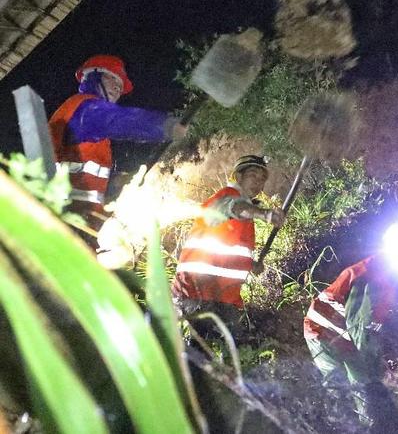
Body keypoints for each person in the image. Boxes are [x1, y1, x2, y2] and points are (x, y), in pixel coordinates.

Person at [48, 54, 187, 234]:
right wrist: (166, 126)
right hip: (63, 221)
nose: (117, 87)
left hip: (75, 222)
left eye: (120, 86)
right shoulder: (83, 107)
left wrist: (116, 180)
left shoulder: (91, 127)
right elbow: (119, 120)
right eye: (111, 78)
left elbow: (83, 170)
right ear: (93, 76)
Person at [303, 254, 398, 433]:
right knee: (361, 387)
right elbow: (360, 325)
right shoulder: (373, 277)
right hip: (325, 333)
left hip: (326, 333)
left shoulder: (378, 273)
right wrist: (374, 362)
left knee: (351, 389)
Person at [172, 155, 285, 317]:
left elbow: (226, 251)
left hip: (223, 301)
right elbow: (232, 207)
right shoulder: (226, 196)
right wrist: (265, 214)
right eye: (253, 175)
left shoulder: (246, 212)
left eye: (262, 179)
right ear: (238, 176)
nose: (258, 182)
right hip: (196, 295)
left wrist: (250, 264)